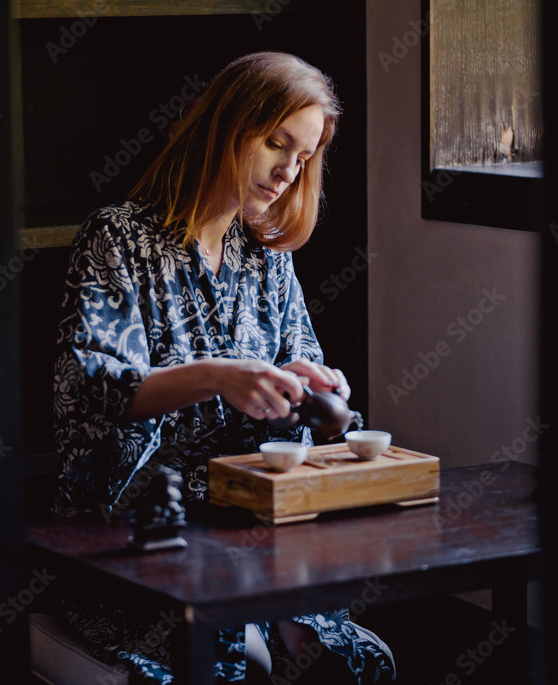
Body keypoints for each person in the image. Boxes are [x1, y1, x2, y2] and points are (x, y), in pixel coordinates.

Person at [52, 51, 395, 684]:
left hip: (255, 524)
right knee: (242, 662)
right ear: (224, 125)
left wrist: (307, 382)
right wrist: (217, 373)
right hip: (146, 533)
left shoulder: (264, 254)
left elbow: (306, 380)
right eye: (276, 143)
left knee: (340, 658)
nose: (288, 170)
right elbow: (89, 389)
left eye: (304, 156)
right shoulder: (118, 238)